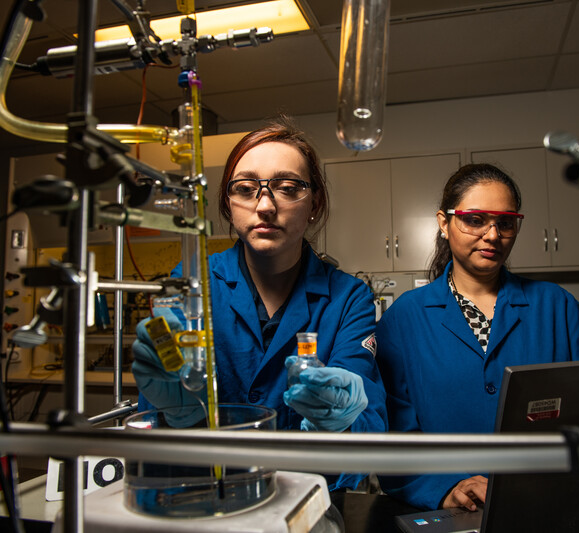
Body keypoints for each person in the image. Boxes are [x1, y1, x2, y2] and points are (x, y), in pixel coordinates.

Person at [131, 116, 387, 490]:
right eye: (247, 189)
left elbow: (367, 430)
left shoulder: (349, 298)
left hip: (305, 504)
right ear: (229, 204)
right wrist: (176, 415)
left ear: (314, 203)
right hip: (203, 499)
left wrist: (341, 422)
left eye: (287, 188)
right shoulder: (191, 282)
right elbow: (152, 418)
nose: (265, 205)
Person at [375, 163, 579, 510]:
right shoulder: (403, 319)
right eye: (475, 220)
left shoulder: (556, 306)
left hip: (550, 504)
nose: (492, 235)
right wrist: (444, 488)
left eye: (505, 222)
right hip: (454, 512)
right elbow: (392, 438)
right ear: (444, 222)